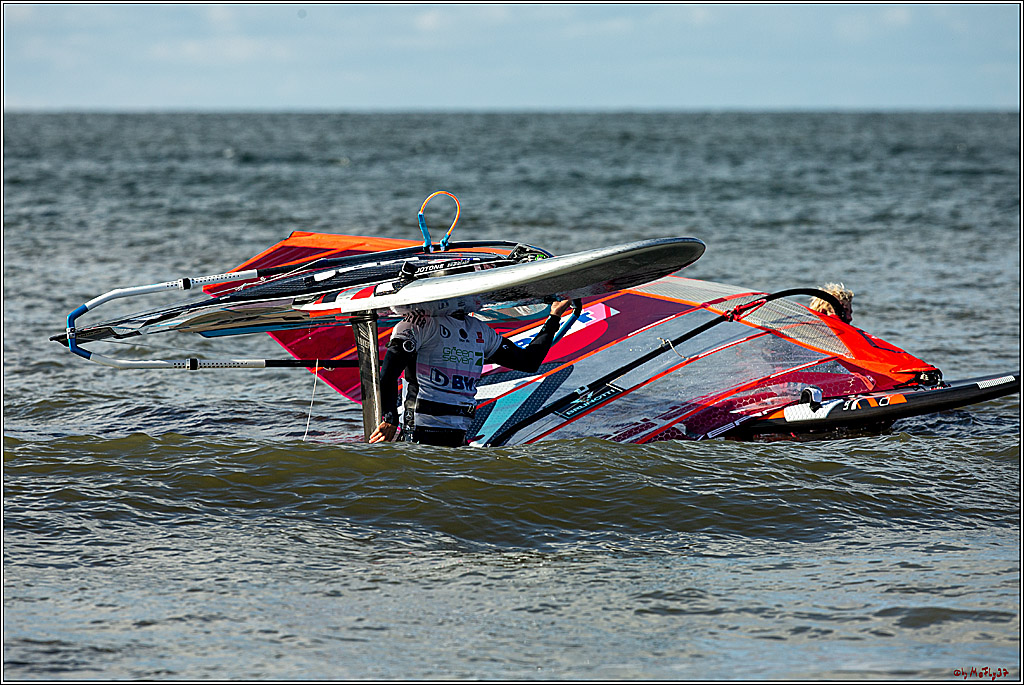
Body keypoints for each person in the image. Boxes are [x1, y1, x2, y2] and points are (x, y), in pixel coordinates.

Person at [368, 298, 574, 447]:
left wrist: (554, 317)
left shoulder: (479, 330)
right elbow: (388, 373)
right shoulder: (418, 323)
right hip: (420, 433)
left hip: (459, 435)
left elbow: (529, 362)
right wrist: (390, 419)